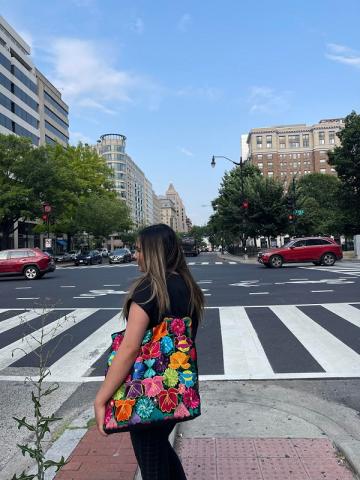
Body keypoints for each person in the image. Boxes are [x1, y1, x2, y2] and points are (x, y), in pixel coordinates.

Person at [94, 223, 204, 480]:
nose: (135, 255)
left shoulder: (149, 290)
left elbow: (130, 349)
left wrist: (101, 399)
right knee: (161, 454)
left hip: (146, 397)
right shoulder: (188, 287)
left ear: (154, 253)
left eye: (139, 250)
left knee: (152, 465)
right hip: (176, 390)